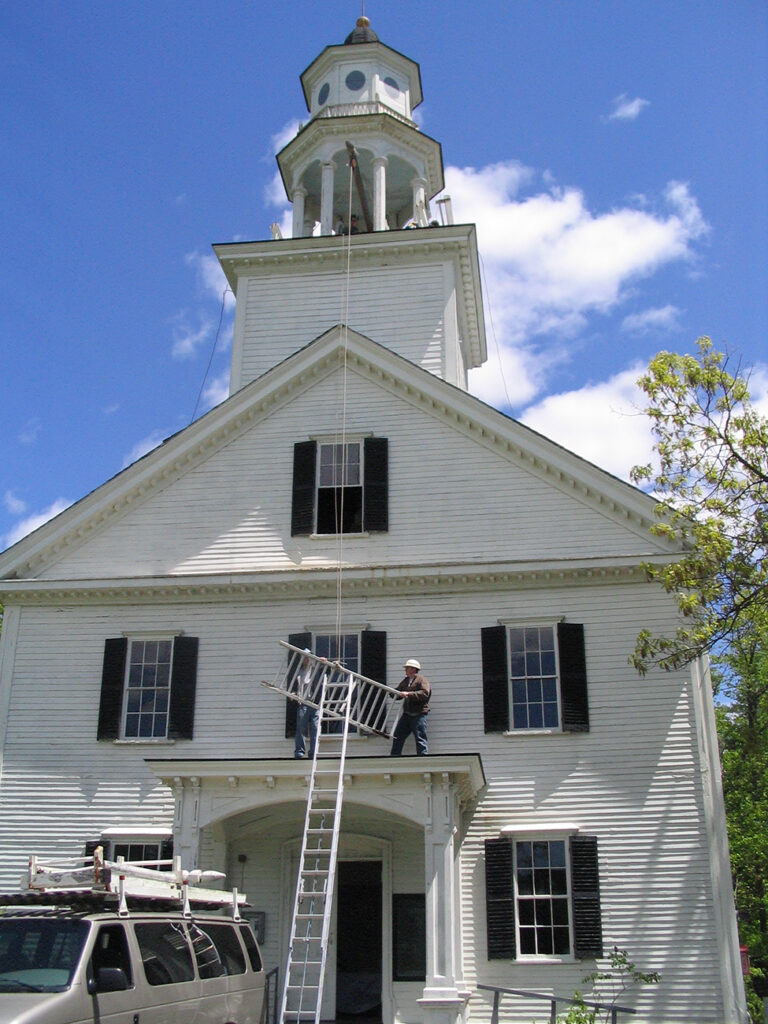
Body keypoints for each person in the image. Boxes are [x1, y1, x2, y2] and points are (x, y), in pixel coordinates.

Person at [390, 658, 431, 756]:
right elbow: (398, 692)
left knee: (420, 737)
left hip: (419, 714)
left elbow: (425, 693)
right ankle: (394, 757)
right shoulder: (406, 681)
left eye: (407, 668)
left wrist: (408, 694)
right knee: (398, 736)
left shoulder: (422, 680)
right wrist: (392, 693)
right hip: (407, 714)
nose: (405, 670)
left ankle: (423, 757)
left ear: (413, 669)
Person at [293, 649, 322, 759]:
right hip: (303, 703)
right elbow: (297, 687)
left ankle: (313, 752)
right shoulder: (299, 672)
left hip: (315, 703)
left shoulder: (316, 670)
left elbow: (328, 670)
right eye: (304, 657)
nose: (306, 659)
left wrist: (324, 661)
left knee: (315, 728)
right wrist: (294, 694)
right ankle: (299, 752)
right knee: (301, 727)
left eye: (308, 657)